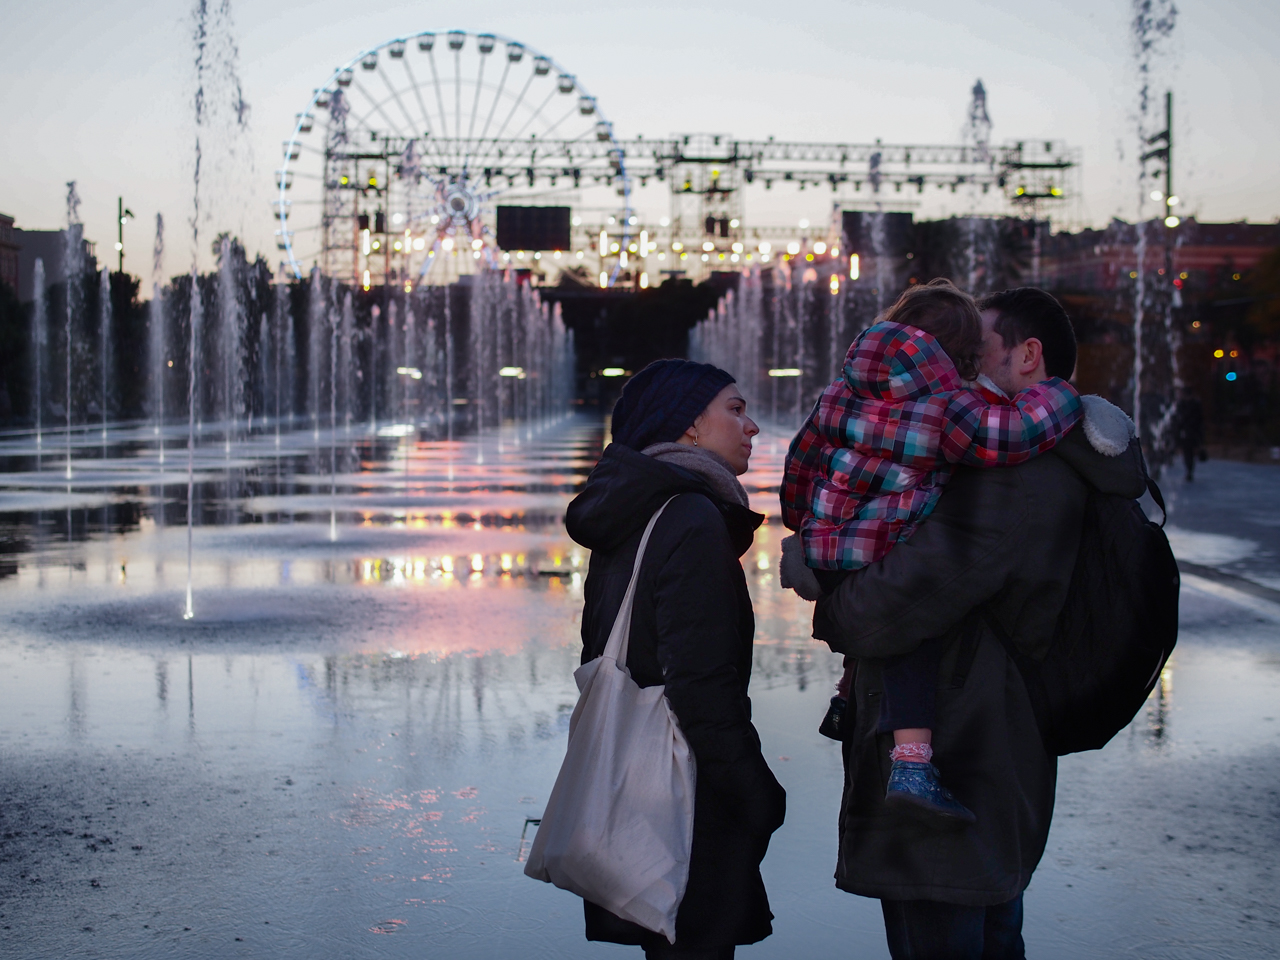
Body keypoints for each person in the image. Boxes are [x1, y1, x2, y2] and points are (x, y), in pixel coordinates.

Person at [794, 287, 1147, 959]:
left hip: (958, 761)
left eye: (969, 351)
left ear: (1026, 356)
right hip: (999, 741)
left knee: (946, 935)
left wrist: (828, 593)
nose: (948, 368)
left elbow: (888, 610)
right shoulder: (1037, 458)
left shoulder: (1014, 474)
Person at [779, 280, 1082, 824]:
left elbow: (802, 460)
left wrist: (804, 528)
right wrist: (1062, 395)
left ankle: (846, 694)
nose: (976, 372)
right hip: (878, 548)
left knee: (888, 618)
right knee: (908, 638)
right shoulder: (947, 411)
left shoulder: (838, 393)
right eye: (972, 357)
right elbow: (1008, 433)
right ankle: (913, 763)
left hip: (829, 544)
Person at [566, 359, 786, 960]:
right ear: (689, 425)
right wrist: (756, 791)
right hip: (687, 796)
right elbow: (701, 684)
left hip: (636, 788)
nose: (753, 428)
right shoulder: (690, 516)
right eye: (735, 410)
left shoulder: (635, 509)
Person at [1173, 386, 1205, 481]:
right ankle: (1189, 470)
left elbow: (1199, 420)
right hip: (1186, 432)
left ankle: (1189, 470)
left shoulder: (1194, 404)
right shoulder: (1181, 404)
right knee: (1187, 453)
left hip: (1192, 431)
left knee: (1189, 452)